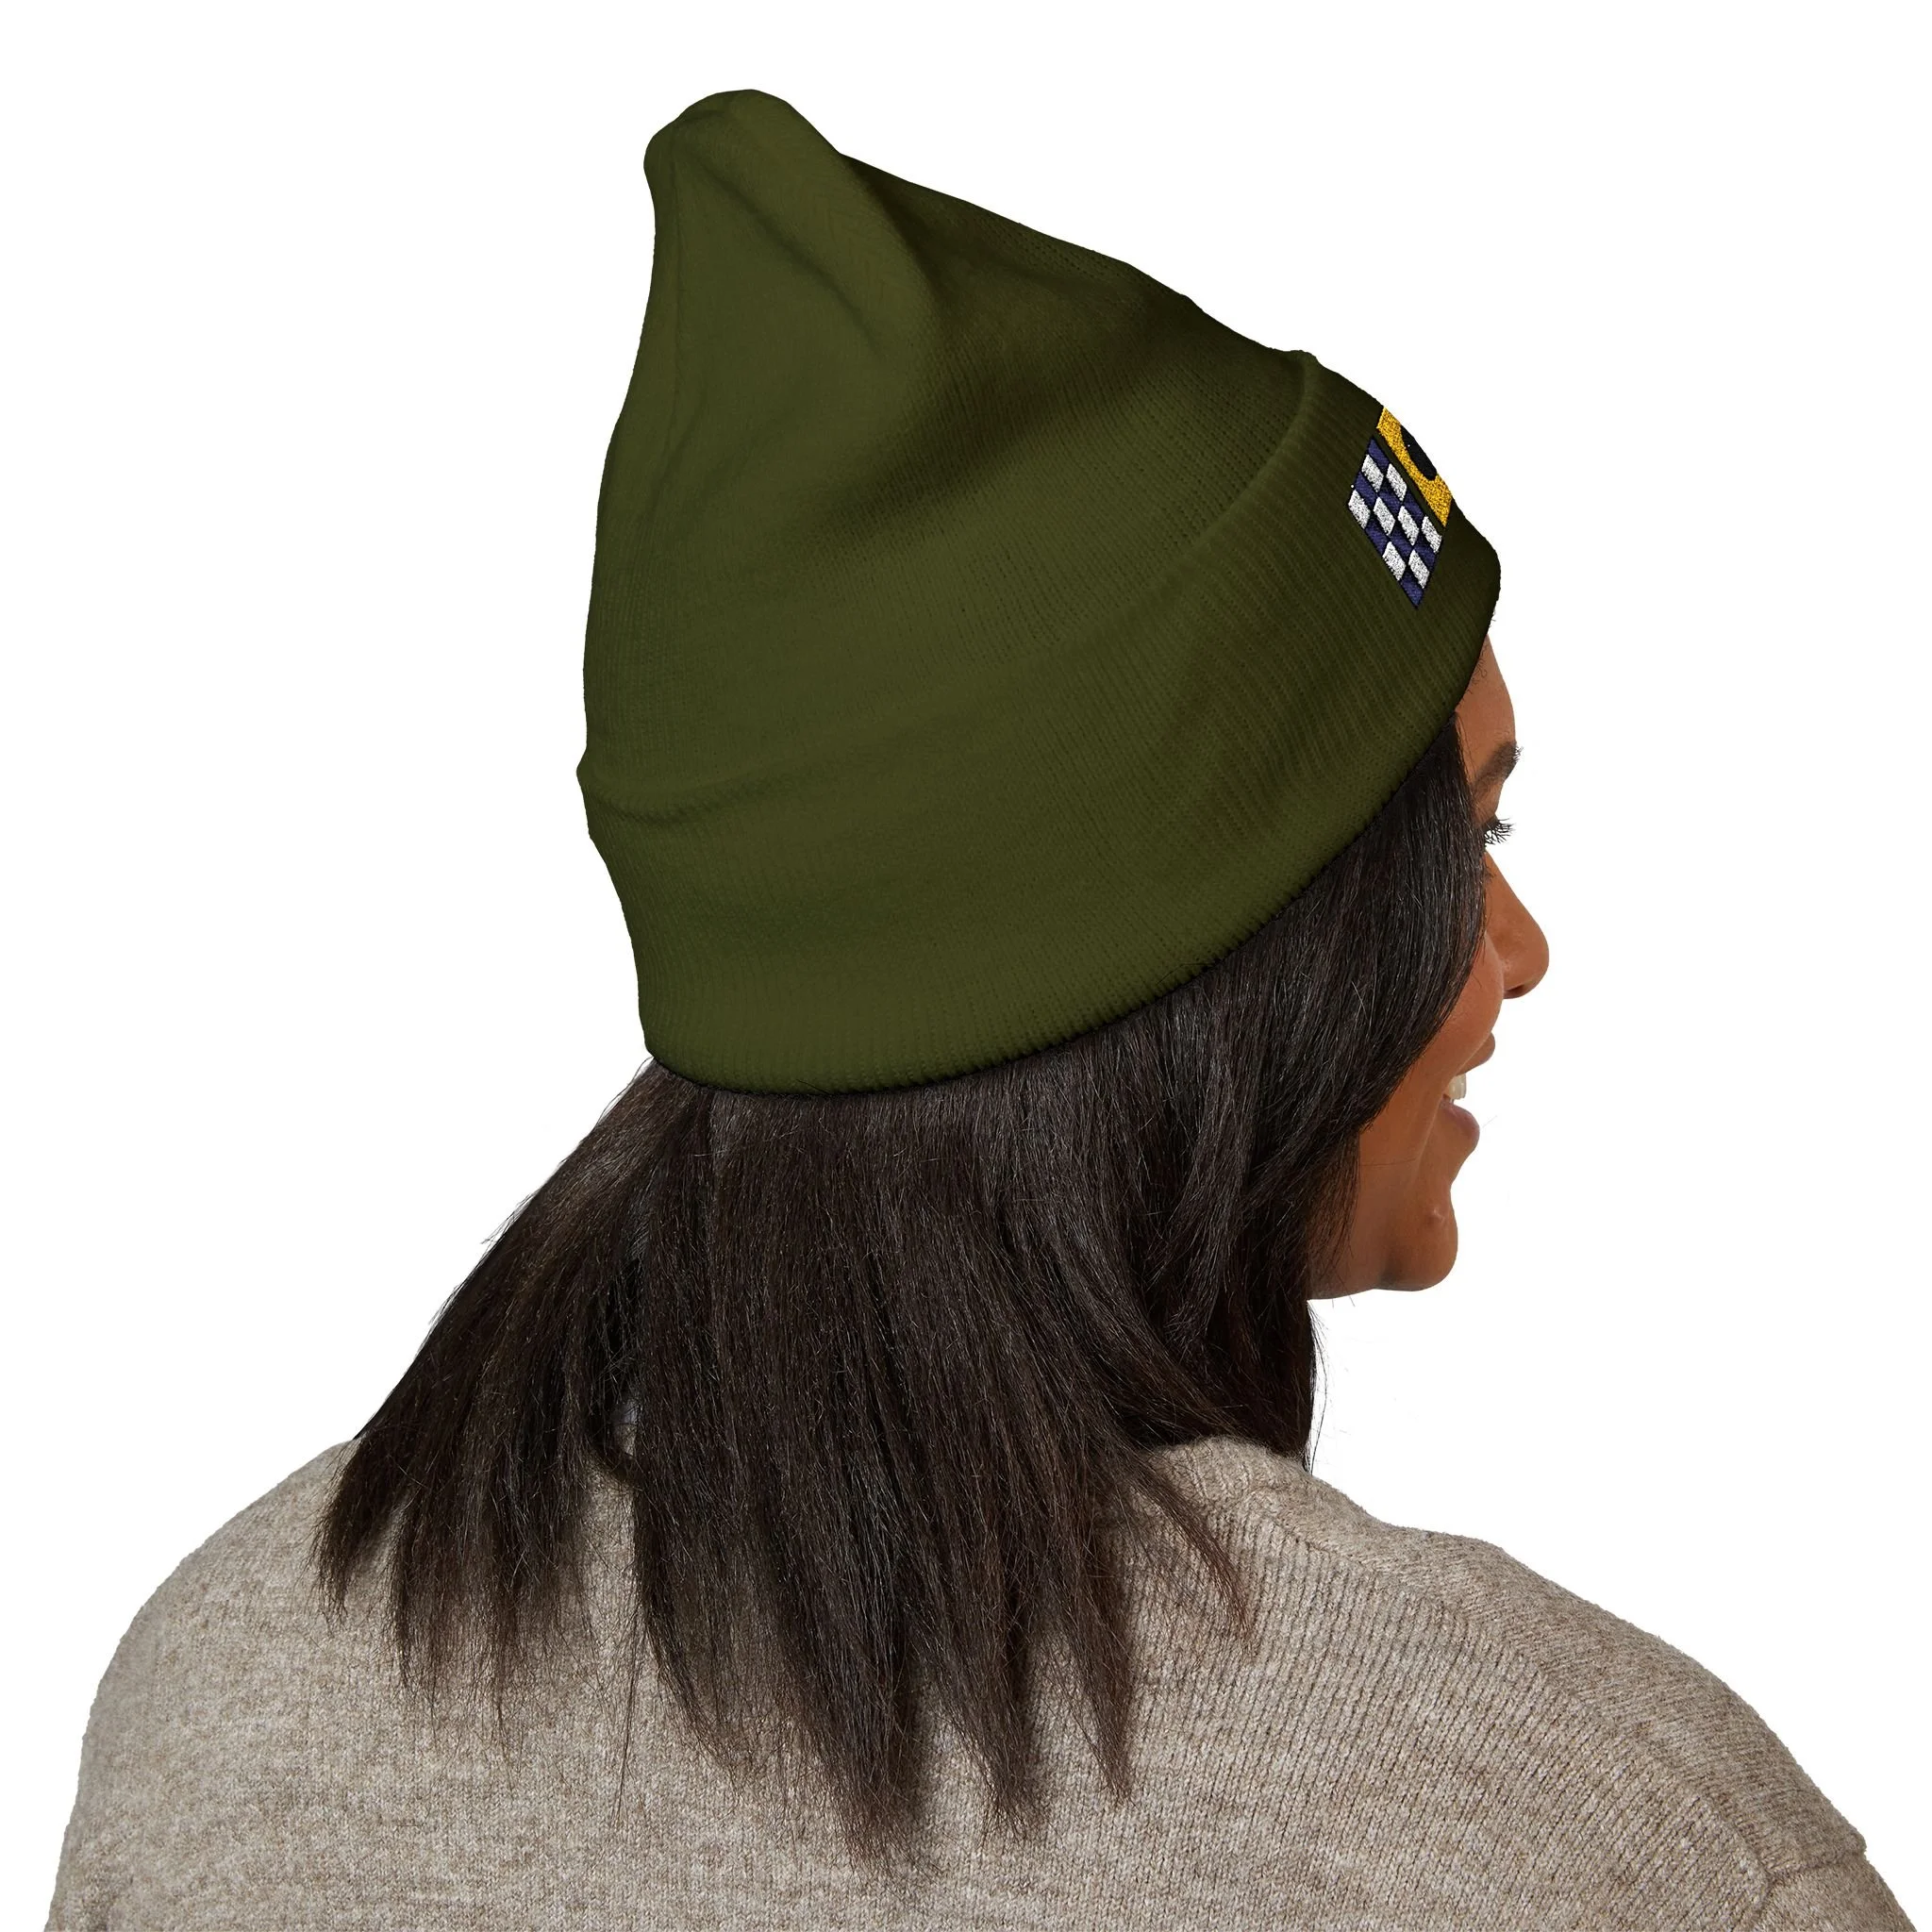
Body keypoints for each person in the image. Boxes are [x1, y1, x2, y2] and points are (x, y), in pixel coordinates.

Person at [45, 89, 1912, 1931]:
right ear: (1214, 950)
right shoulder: (1583, 1833)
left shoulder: (224, 1708)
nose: (1516, 947)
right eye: (1462, 843)